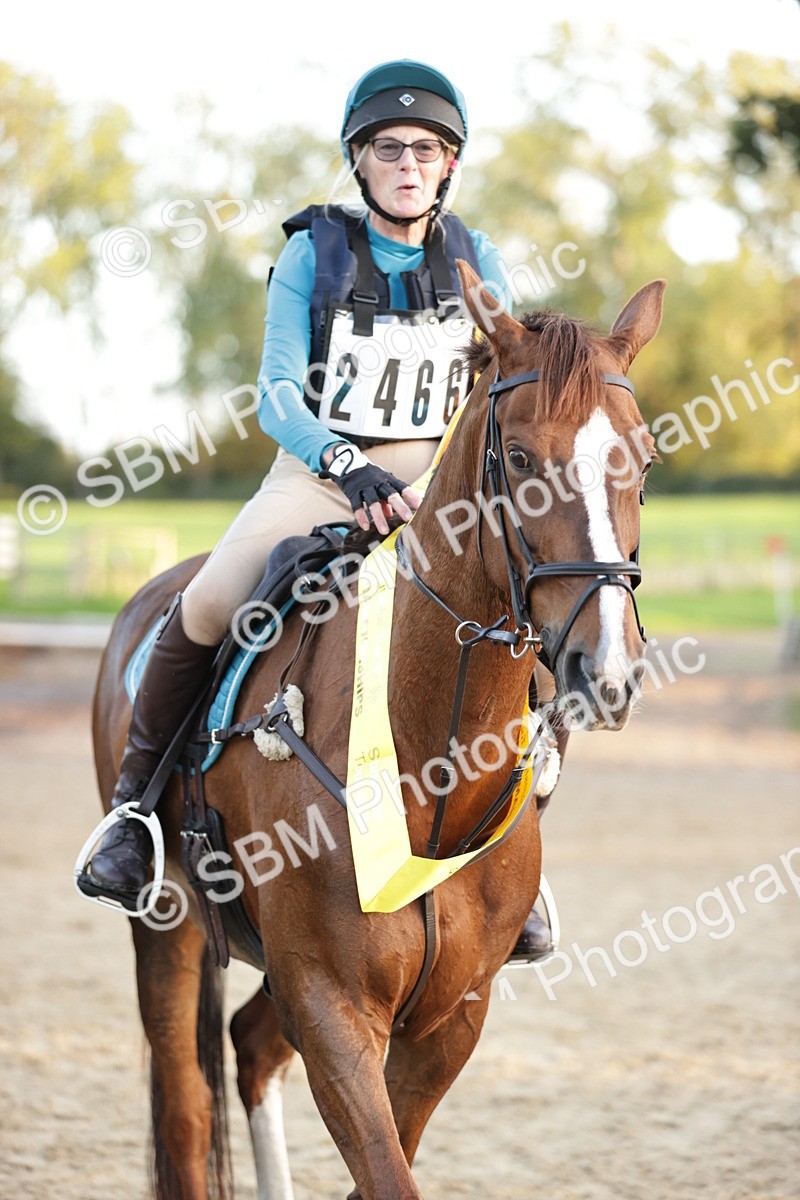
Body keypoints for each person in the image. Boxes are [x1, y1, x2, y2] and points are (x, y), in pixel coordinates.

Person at [78, 59, 555, 959]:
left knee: (528, 605)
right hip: (319, 470)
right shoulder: (313, 252)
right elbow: (276, 393)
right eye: (388, 148)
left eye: (427, 149)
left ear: (448, 166)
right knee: (213, 600)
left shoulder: (473, 257)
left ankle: (518, 854)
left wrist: (445, 477)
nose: (408, 163)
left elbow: (503, 374)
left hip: (436, 480)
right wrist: (348, 465)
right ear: (359, 160)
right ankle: (134, 815)